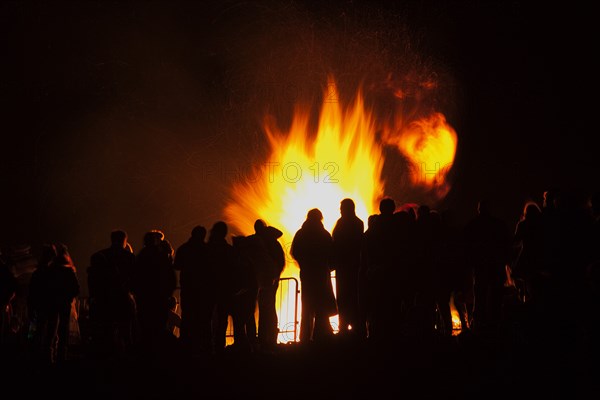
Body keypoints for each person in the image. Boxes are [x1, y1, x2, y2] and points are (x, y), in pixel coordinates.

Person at [291, 208, 337, 344]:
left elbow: (295, 252)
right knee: (321, 305)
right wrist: (328, 266)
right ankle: (322, 335)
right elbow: (332, 253)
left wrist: (304, 264)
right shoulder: (324, 234)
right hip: (321, 274)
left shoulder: (300, 234)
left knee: (307, 306)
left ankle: (305, 336)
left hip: (307, 274)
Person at [247, 219, 285, 352]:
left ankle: (264, 338)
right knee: (269, 309)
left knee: (264, 309)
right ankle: (270, 338)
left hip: (262, 281)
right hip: (270, 280)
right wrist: (276, 275)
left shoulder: (255, 242)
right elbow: (281, 261)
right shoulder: (273, 242)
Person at [332, 198, 365, 339]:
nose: (340, 210)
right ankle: (356, 328)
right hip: (353, 266)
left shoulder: (342, 224)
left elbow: (336, 243)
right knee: (352, 298)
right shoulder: (358, 223)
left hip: (345, 267)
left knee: (345, 298)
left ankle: (346, 328)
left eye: (341, 208)